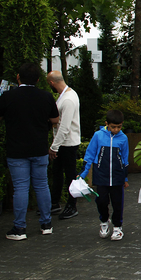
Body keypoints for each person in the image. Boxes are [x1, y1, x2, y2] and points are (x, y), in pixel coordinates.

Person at [0, 62, 60, 240]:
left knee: (21, 188)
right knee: (42, 185)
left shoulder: (8, 95)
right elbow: (55, 119)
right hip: (39, 148)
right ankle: (46, 224)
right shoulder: (45, 96)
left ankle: (20, 228)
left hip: (17, 150)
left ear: (18, 77)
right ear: (38, 80)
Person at [79, 110, 129, 241]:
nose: (116, 129)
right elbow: (89, 154)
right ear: (107, 124)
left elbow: (125, 159)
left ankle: (118, 226)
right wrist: (83, 174)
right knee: (101, 201)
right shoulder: (98, 136)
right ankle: (104, 221)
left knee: (118, 203)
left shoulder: (123, 138)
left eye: (119, 127)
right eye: (113, 127)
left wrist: (125, 178)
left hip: (117, 176)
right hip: (101, 175)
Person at [47, 70, 82, 220]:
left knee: (69, 174)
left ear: (51, 83)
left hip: (68, 143)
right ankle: (55, 202)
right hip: (64, 142)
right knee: (57, 173)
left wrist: (54, 146)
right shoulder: (66, 95)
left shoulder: (68, 99)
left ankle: (71, 204)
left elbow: (64, 126)